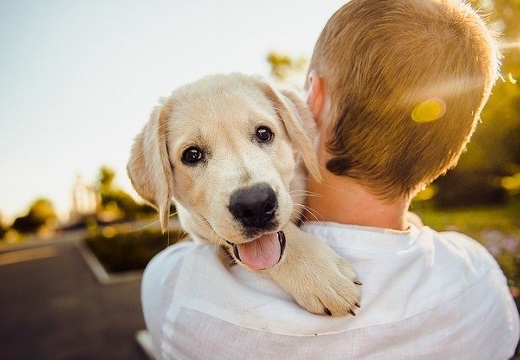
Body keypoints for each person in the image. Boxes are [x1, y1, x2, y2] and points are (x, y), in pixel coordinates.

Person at [141, 0, 520, 358]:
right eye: (194, 155)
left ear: (312, 101)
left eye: (262, 134)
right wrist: (288, 254)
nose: (249, 187)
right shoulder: (481, 279)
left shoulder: (177, 289)